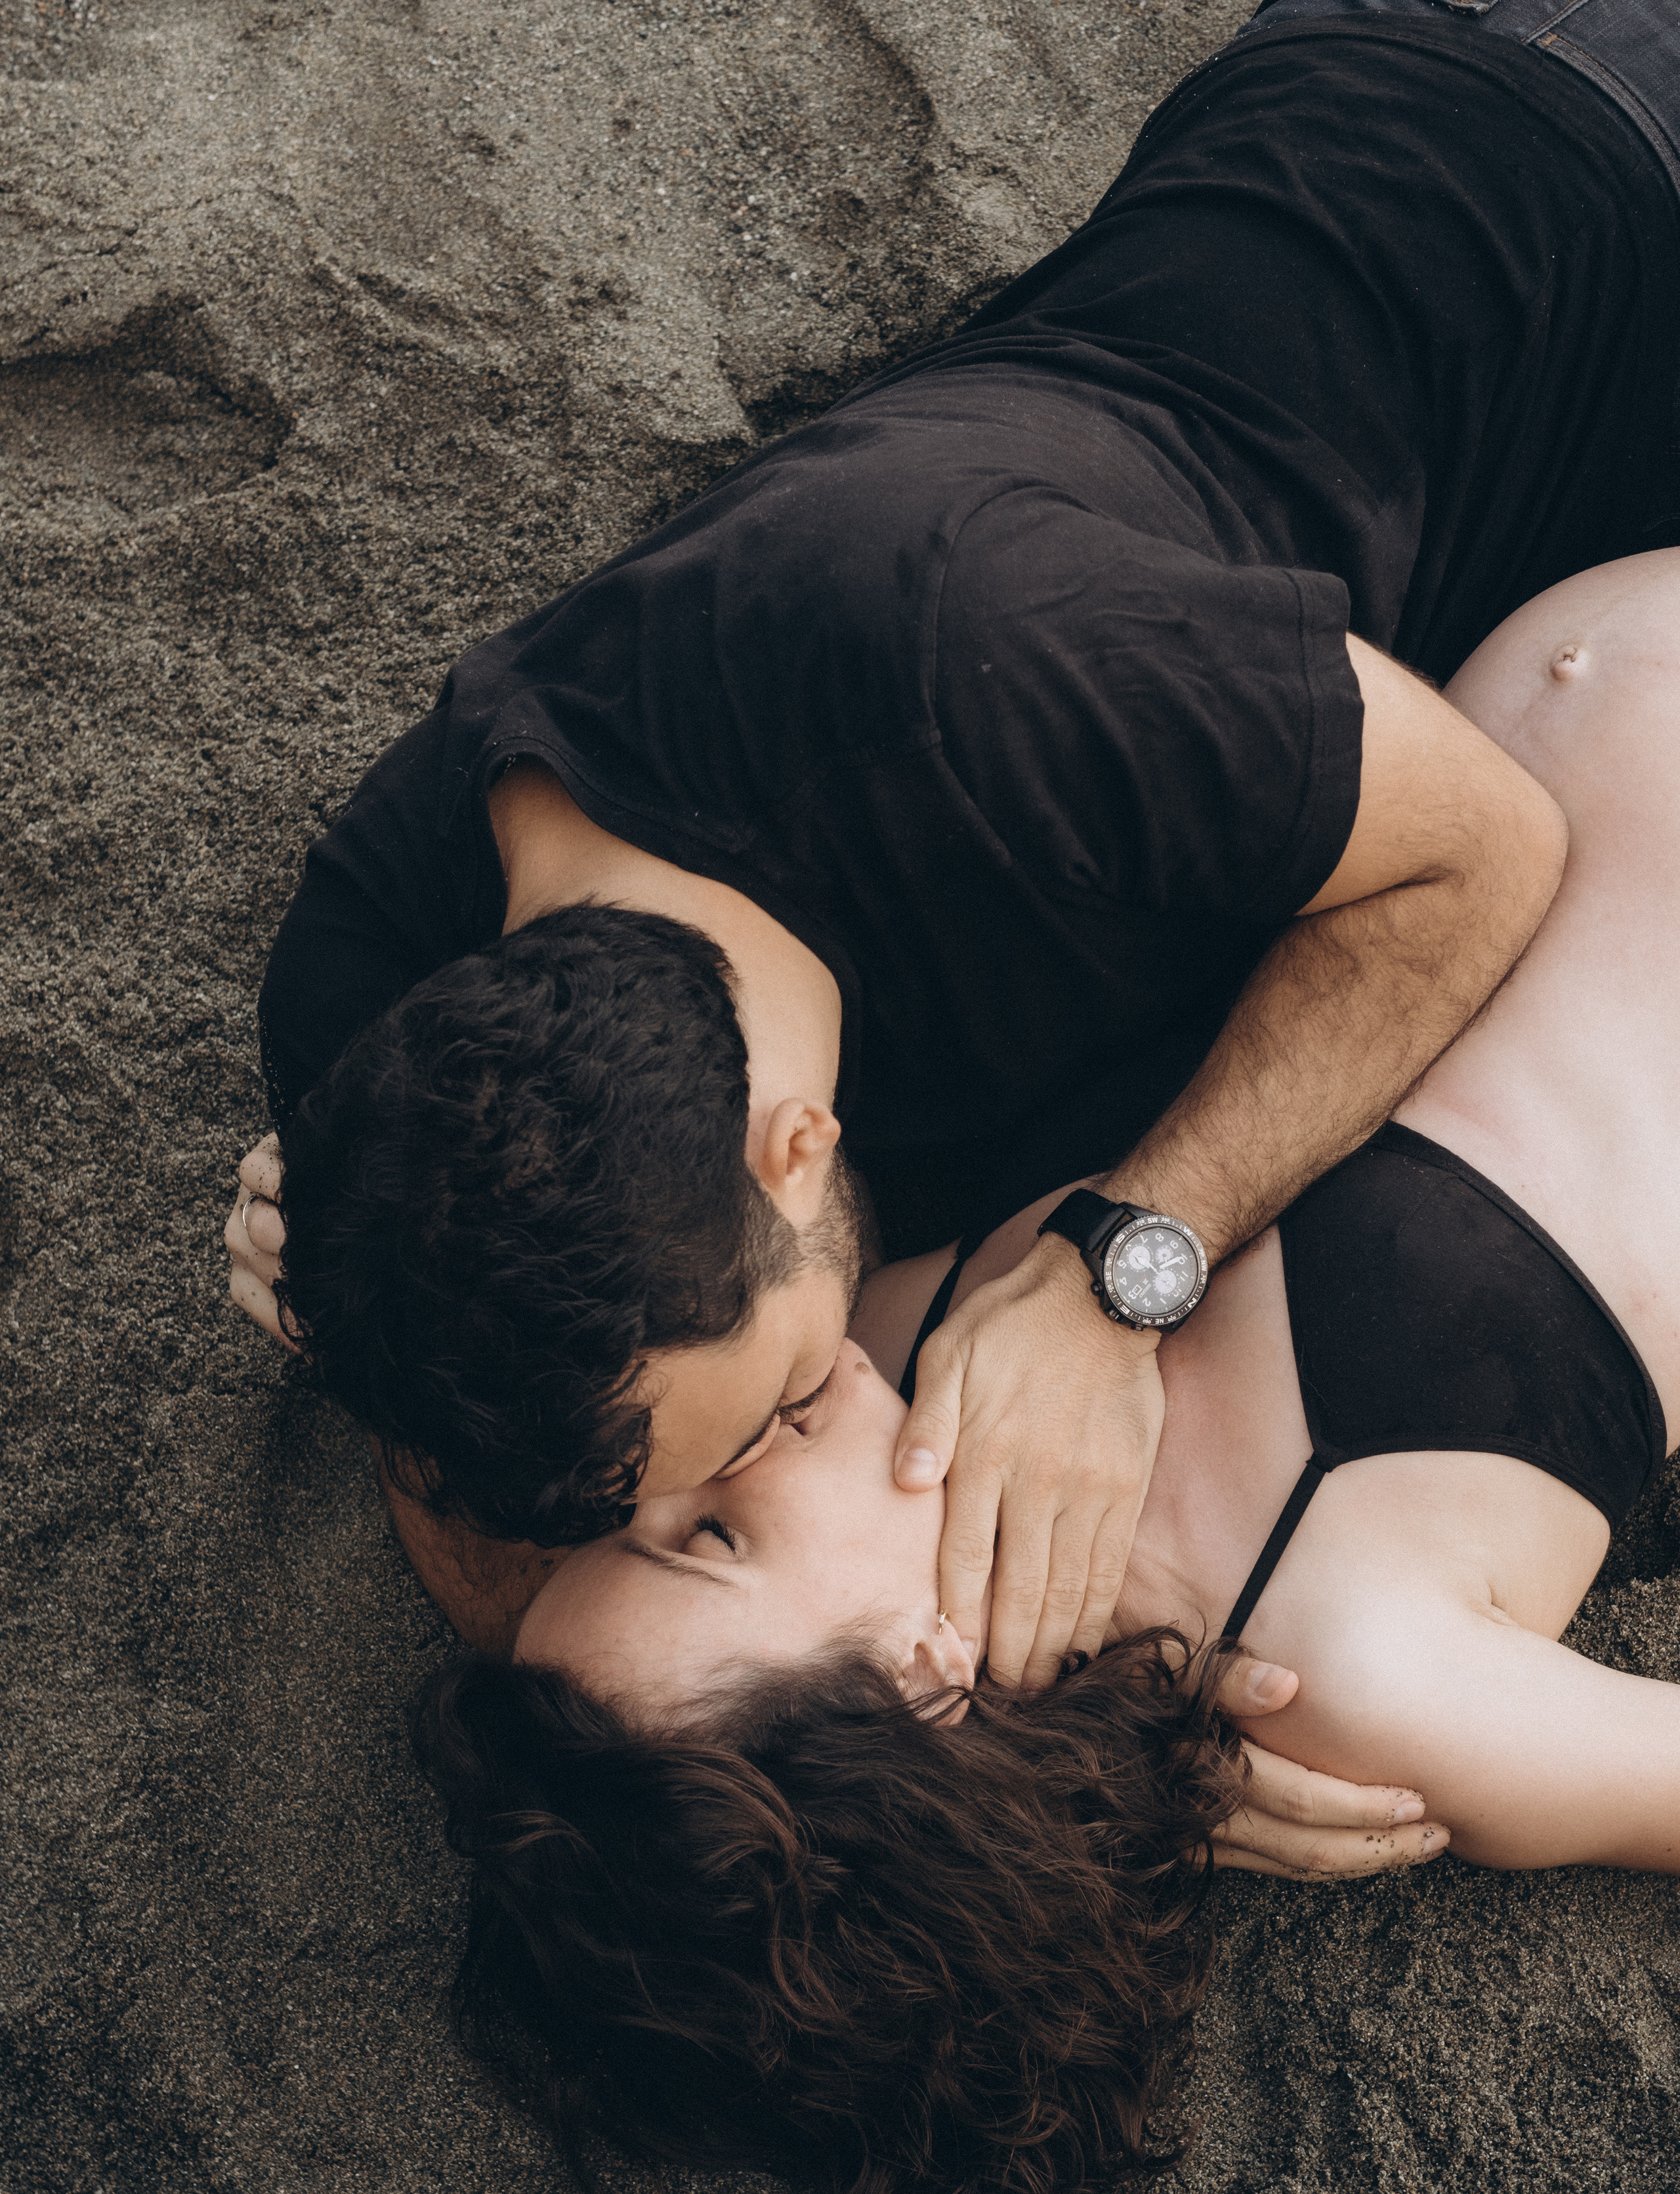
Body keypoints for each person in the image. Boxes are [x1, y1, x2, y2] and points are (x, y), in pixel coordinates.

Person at [229, 0, 1680, 1691]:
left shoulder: (983, 677)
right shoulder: (370, 1058)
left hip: (1575, 166)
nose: (746, 1474)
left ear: (794, 1150)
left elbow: (1481, 855)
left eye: (778, 1409)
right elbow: (512, 1552)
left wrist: (1122, 1276)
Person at [413, 546, 1680, 2194]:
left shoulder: (858, 1356)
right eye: (708, 1536)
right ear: (922, 1689)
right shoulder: (1345, 1683)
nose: (694, 1465)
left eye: (625, 1511)